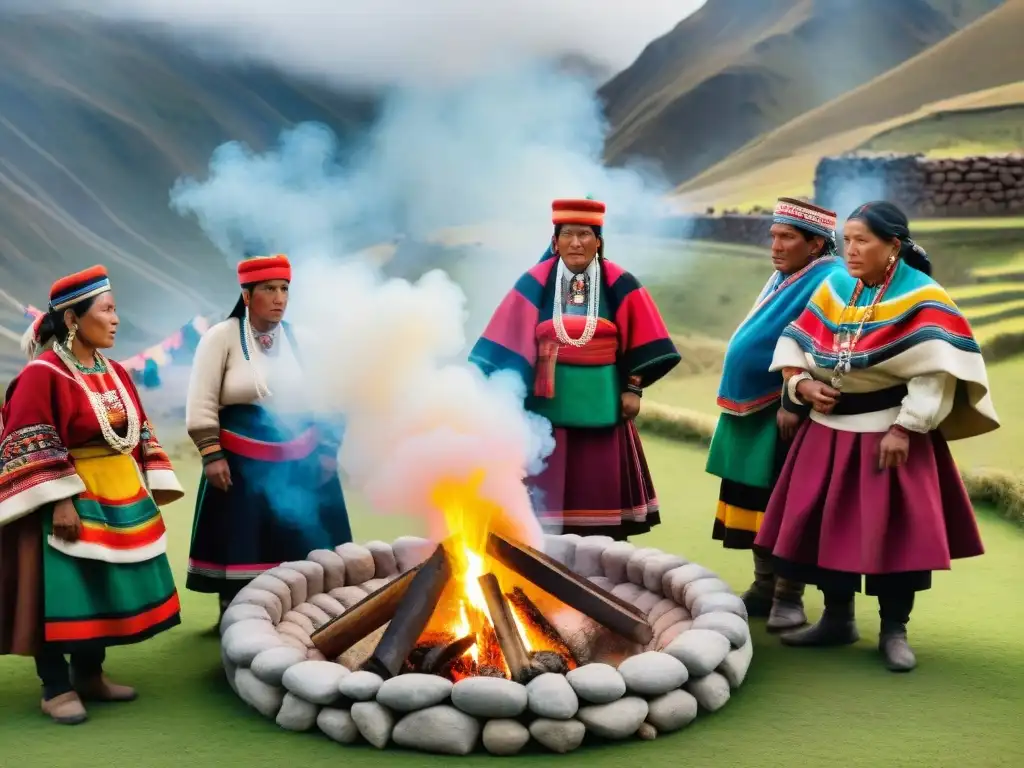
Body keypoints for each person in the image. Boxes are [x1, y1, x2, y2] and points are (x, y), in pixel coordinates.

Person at [754, 201, 999, 672]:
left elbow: (934, 373)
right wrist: (801, 385)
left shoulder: (924, 297)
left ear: (893, 246)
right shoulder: (835, 288)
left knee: (895, 537)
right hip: (826, 432)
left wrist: (906, 428)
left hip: (890, 434)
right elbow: (795, 341)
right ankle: (836, 618)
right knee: (827, 528)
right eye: (847, 240)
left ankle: (894, 631)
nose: (851, 250)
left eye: (862, 240)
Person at [0, 265, 184, 725]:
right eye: (107, 310)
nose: (116, 319)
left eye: (115, 309)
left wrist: (153, 477)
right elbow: (27, 434)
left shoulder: (114, 371)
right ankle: (54, 687)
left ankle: (89, 675)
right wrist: (59, 498)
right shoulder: (43, 374)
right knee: (60, 592)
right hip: (64, 497)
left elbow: (137, 427)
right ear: (72, 320)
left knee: (99, 587)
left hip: (116, 494)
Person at [470, 198, 680, 539]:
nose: (577, 243)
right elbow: (507, 336)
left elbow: (646, 338)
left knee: (599, 484)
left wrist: (634, 387)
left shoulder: (620, 282)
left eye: (585, 234)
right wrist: (503, 391)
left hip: (604, 408)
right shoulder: (535, 282)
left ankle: (602, 564)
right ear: (555, 241)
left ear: (599, 240)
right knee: (542, 500)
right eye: (568, 234)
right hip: (544, 412)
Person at [184, 253, 352, 624]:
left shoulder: (302, 340)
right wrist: (212, 454)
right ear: (247, 296)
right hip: (240, 462)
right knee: (241, 541)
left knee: (304, 542)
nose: (279, 298)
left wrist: (327, 450)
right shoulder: (221, 337)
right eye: (269, 289)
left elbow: (332, 395)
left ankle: (301, 615)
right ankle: (237, 617)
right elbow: (202, 399)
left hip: (301, 457)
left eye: (284, 289)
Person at [707, 198, 845, 632]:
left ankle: (790, 596)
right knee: (755, 500)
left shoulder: (833, 279)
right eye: (774, 236)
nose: (776, 245)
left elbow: (821, 345)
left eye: (787, 237)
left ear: (816, 242)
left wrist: (791, 399)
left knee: (785, 504)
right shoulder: (789, 274)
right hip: (757, 408)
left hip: (786, 409)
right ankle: (765, 587)